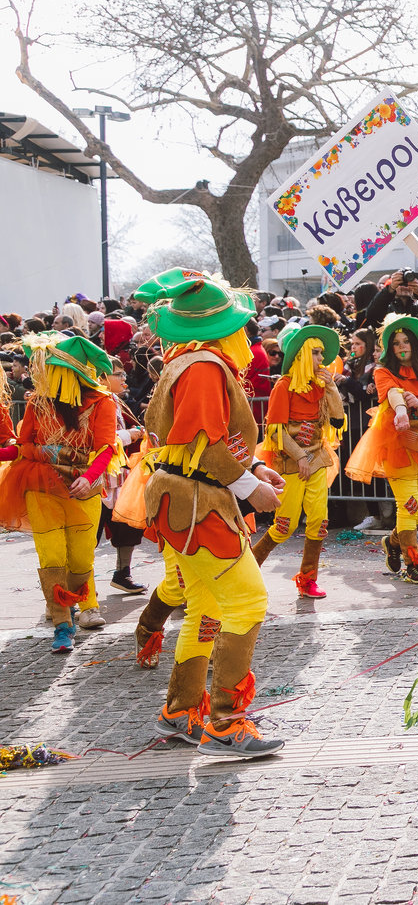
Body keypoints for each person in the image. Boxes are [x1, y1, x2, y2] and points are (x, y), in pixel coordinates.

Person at [136, 272, 286, 756]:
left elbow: (197, 442)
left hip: (184, 499)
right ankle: (226, 723)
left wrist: (255, 468)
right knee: (247, 602)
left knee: (206, 608)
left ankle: (181, 711)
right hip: (197, 504)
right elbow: (206, 445)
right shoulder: (204, 366)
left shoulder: (187, 362)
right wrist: (250, 487)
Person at [0, 333, 118, 651]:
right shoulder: (38, 402)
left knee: (80, 560)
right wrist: (49, 454)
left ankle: (81, 603)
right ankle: (62, 624)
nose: (43, 374)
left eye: (49, 368)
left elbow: (107, 446)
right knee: (51, 557)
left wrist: (91, 476)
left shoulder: (102, 402)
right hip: (39, 486)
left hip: (83, 490)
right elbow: (24, 443)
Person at [346, 314, 418, 585]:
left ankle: (393, 542)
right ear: (390, 348)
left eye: (406, 341)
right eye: (395, 343)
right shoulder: (383, 372)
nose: (402, 346)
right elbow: (392, 394)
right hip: (396, 447)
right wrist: (403, 410)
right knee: (409, 506)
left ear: (416, 343)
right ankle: (412, 565)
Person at [248, 325, 345, 599]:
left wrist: (332, 387)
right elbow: (276, 431)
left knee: (319, 521)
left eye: (321, 353)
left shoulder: (320, 385)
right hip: (291, 463)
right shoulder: (283, 386)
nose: (320, 359)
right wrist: (299, 455)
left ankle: (308, 579)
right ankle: (249, 573)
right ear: (302, 355)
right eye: (315, 353)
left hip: (317, 458)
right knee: (284, 525)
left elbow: (337, 420)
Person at [100, 357, 148, 595]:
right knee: (89, 534)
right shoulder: (92, 402)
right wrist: (131, 434)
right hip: (95, 477)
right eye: (117, 374)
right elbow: (103, 438)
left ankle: (122, 573)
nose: (123, 378)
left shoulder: (117, 401)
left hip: (120, 475)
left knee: (127, 525)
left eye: (123, 374)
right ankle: (81, 588)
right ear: (101, 377)